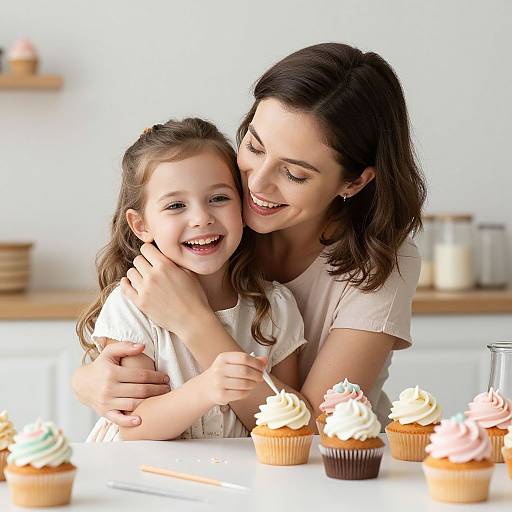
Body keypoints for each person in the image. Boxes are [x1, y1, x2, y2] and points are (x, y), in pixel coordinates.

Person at [72, 42, 425, 429]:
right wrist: (87, 381)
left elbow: (308, 431)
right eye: (255, 147)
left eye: (294, 174)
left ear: (354, 181)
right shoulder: (217, 220)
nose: (257, 184)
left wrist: (194, 321)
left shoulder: (379, 263)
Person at [78, 117, 311, 441]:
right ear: (142, 225)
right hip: (144, 477)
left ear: (243, 204)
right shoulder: (133, 304)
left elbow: (291, 421)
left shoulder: (275, 307)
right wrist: (205, 390)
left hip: (237, 479)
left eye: (218, 198)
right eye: (176, 205)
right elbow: (135, 425)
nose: (201, 218)